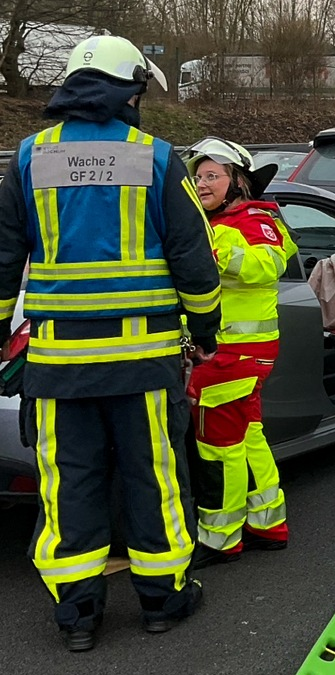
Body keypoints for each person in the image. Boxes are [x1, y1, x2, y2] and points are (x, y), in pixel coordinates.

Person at [0, 35, 220, 650]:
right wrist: (204, 333)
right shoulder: (154, 157)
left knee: (69, 483)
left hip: (56, 363)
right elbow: (192, 260)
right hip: (141, 363)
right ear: (131, 90)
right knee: (153, 477)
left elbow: (1, 256)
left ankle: (77, 615)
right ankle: (161, 601)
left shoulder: (28, 156)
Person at [180, 138, 297, 568]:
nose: (202, 182)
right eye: (199, 175)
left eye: (213, 175)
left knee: (218, 447)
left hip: (230, 354)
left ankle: (220, 539)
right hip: (235, 354)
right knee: (248, 438)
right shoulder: (223, 220)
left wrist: (212, 251)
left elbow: (266, 265)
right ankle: (268, 525)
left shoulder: (247, 219)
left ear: (238, 182)